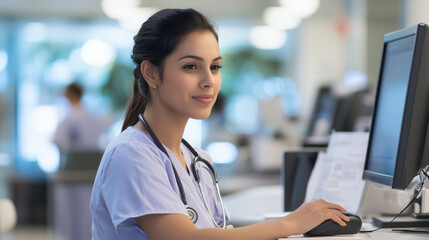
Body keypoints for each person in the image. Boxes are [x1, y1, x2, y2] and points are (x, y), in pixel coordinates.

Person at [90, 8, 350, 240]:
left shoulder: (198, 160)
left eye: (215, 67)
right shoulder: (131, 154)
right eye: (191, 66)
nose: (209, 81)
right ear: (151, 73)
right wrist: (290, 224)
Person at [52, 82, 104, 151]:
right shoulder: (93, 117)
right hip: (93, 160)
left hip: (74, 159)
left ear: (68, 95)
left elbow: (56, 141)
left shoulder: (69, 118)